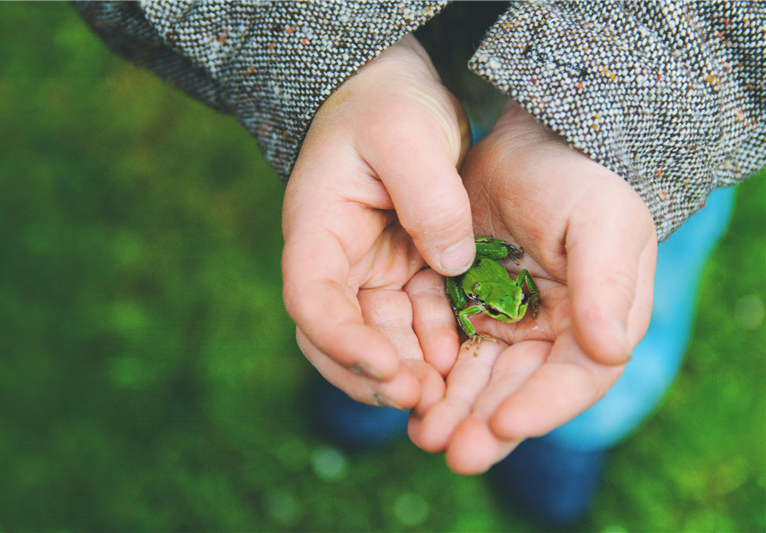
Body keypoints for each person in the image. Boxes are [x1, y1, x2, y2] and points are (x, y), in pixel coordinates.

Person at [76, 1, 765, 527]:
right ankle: (378, 386)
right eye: (505, 310)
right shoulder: (478, 299)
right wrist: (336, 56)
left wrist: (629, 120)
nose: (509, 313)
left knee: (618, 285)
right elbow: (468, 288)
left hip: (647, 126)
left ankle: (577, 428)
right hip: (389, 86)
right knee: (362, 228)